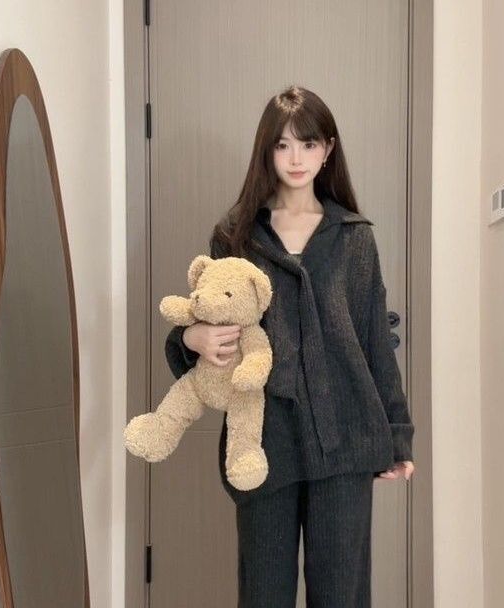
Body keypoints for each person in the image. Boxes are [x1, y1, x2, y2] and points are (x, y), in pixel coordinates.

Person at [165, 85, 416, 608]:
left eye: (308, 144)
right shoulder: (235, 236)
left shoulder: (354, 238)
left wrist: (397, 436)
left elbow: (374, 341)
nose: (296, 158)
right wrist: (190, 338)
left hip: (344, 439)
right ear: (267, 151)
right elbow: (203, 316)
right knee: (263, 594)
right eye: (282, 145)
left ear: (328, 150)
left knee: (341, 595)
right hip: (263, 442)